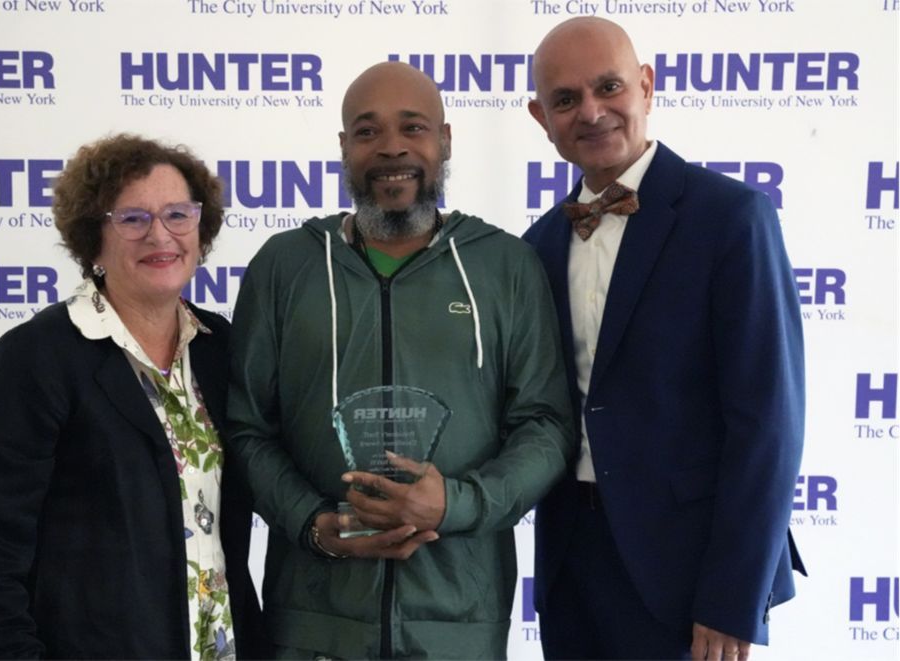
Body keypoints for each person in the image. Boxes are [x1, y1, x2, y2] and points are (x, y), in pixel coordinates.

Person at [226, 61, 575, 659]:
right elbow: (247, 427)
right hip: (312, 621)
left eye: (413, 128)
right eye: (367, 132)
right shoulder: (284, 267)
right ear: (343, 148)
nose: (391, 148)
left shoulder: (505, 266)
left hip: (458, 621)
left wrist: (456, 504)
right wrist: (313, 524)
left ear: (444, 139)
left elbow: (545, 427)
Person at [522, 17, 806, 661]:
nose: (591, 112)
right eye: (566, 100)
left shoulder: (731, 218)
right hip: (570, 567)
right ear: (542, 118)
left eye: (608, 87)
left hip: (688, 576)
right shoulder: (536, 245)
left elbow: (768, 425)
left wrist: (733, 597)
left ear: (646, 86)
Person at [0, 134, 266, 660]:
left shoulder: (221, 350)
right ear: (92, 238)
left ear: (201, 226)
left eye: (177, 214)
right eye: (133, 219)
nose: (160, 235)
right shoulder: (36, 359)